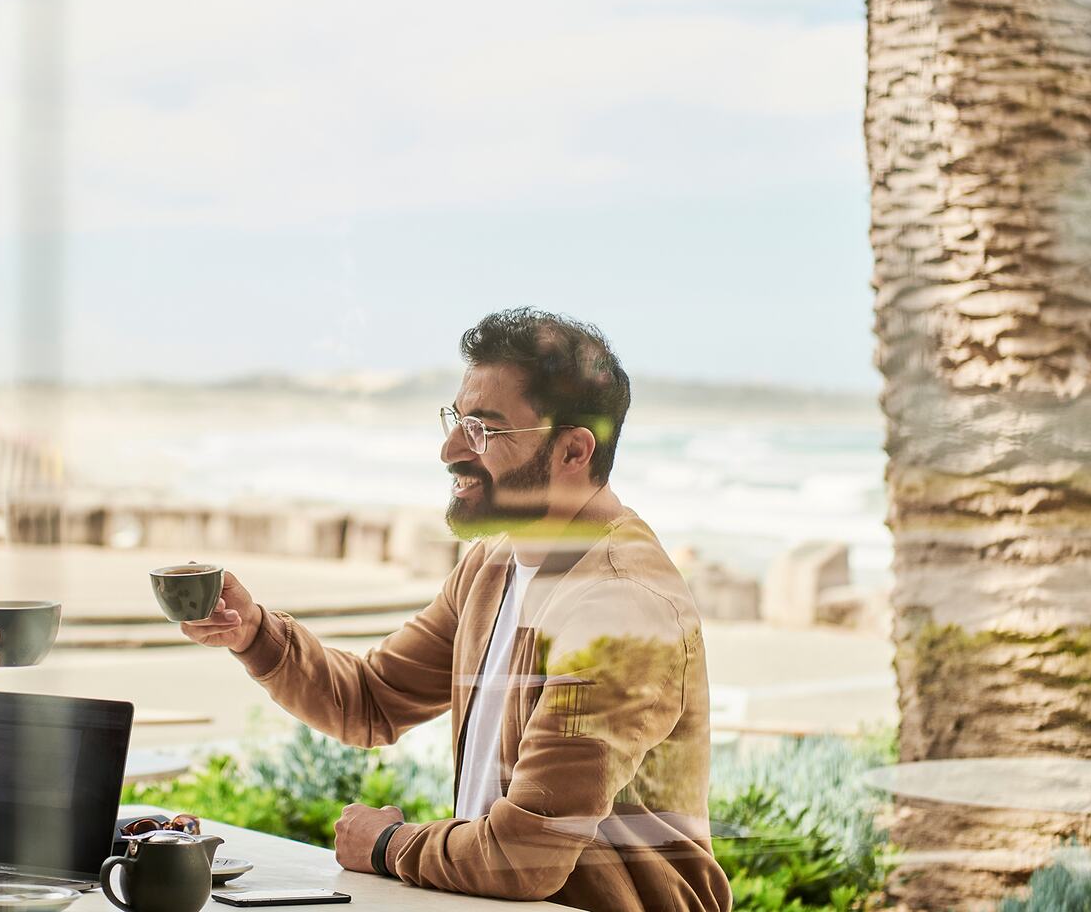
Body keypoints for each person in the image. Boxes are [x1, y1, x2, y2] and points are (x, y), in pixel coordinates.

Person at [182, 308, 730, 911]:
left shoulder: (621, 609)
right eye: (457, 421)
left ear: (573, 450)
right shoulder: (492, 565)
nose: (450, 450)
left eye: (485, 431)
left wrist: (388, 843)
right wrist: (255, 633)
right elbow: (371, 698)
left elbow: (526, 856)